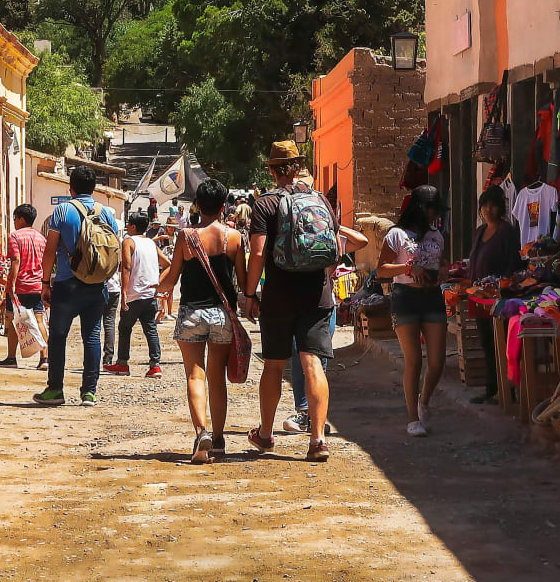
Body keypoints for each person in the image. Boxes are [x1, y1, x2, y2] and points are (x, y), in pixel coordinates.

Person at [242, 141, 366, 461]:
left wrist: (249, 293)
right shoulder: (321, 199)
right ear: (297, 168)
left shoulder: (265, 204)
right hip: (317, 294)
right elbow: (332, 247)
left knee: (274, 365)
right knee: (313, 364)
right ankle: (318, 440)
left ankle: (266, 435)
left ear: (271, 169)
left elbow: (257, 253)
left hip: (279, 296)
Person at [157, 178, 244, 463]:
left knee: (195, 374)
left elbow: (172, 277)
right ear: (223, 207)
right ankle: (218, 440)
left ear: (196, 206)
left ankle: (201, 432)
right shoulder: (233, 238)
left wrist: (158, 287)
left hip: (192, 312)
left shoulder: (186, 237)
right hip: (222, 313)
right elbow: (241, 281)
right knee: (217, 377)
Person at [34, 165, 120, 406]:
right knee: (92, 336)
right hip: (96, 285)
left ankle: (55, 390)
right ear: (94, 188)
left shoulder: (62, 211)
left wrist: (44, 282)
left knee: (58, 336)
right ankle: (88, 392)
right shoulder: (107, 213)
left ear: (70, 187)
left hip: (67, 284)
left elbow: (50, 251)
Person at [377, 185, 448, 436]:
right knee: (414, 360)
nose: (435, 215)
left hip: (432, 297)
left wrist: (443, 271)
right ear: (420, 208)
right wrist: (407, 269)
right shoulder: (396, 235)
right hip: (405, 298)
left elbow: (441, 263)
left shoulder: (437, 235)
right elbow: (381, 270)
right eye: (432, 210)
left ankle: (424, 401)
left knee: (438, 361)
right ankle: (412, 418)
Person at [465, 185, 522, 404]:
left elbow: (512, 264)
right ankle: (492, 387)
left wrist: (500, 287)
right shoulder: (480, 231)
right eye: (484, 206)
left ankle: (508, 390)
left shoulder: (506, 231)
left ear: (501, 208)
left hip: (499, 299)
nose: (488, 210)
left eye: (493, 205)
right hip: (479, 297)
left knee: (502, 343)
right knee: (487, 342)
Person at [110, 211, 163, 376]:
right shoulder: (151, 243)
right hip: (150, 294)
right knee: (151, 329)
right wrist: (159, 282)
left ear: (133, 226)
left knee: (125, 328)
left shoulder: (128, 241)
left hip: (135, 293)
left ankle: (122, 363)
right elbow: (167, 263)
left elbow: (126, 267)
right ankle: (155, 365)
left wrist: (124, 292)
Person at [0, 203, 48, 370]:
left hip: (20, 287)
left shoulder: (15, 236)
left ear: (21, 219)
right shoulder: (42, 238)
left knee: (13, 321)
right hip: (37, 285)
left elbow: (16, 261)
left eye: (15, 218)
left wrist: (10, 284)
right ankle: (44, 358)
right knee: (39, 320)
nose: (14, 222)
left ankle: (11, 358)